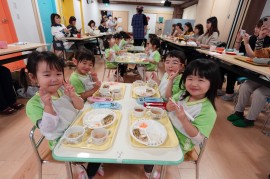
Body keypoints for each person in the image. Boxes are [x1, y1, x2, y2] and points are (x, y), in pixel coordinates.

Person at [20, 51, 101, 178]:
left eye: (58, 74)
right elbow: (48, 129)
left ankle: (93, 164)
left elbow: (80, 106)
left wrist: (73, 96)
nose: (54, 79)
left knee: (103, 132)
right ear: (33, 77)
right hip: (62, 141)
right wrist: (48, 106)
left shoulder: (62, 89)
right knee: (98, 149)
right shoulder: (33, 104)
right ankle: (87, 170)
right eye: (47, 74)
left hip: (78, 127)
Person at [167, 58, 220, 154]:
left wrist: (183, 119)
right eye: (190, 78)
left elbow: (198, 138)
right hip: (169, 127)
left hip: (182, 141)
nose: (194, 84)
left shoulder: (208, 111)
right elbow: (170, 102)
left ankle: (153, 168)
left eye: (200, 80)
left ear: (212, 84)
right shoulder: (182, 94)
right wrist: (168, 107)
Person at [227, 17, 270, 128]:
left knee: (259, 93)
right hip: (266, 76)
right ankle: (239, 112)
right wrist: (260, 38)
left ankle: (250, 119)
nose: (267, 28)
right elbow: (258, 54)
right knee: (246, 85)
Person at [221, 18, 270, 101]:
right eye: (256, 27)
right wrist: (238, 40)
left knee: (234, 69)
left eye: (259, 28)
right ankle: (223, 89)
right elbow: (238, 51)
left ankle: (230, 93)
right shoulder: (253, 38)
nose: (256, 29)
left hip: (259, 69)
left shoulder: (267, 41)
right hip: (248, 64)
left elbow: (255, 56)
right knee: (224, 66)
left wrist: (247, 43)